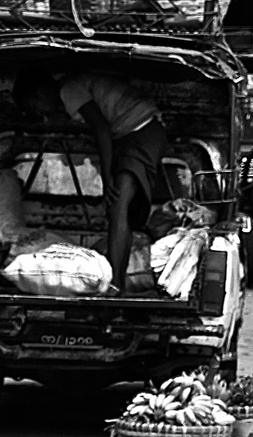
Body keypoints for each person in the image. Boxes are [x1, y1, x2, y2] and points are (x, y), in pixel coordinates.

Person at [17, 72, 166, 292]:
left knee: (117, 207)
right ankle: (118, 285)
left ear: (40, 93)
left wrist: (107, 179)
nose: (40, 113)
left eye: (34, 105)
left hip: (140, 131)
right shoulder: (71, 89)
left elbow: (102, 131)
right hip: (136, 134)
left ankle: (115, 287)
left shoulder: (68, 90)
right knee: (118, 211)